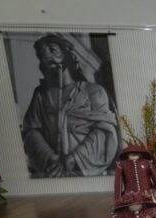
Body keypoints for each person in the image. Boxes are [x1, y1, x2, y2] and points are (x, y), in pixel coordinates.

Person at [21, 33, 121, 178]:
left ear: (66, 53)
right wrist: (51, 157)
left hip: (87, 171)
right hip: (54, 173)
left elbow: (105, 130)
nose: (47, 56)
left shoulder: (94, 91)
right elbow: (31, 131)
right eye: (42, 54)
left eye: (52, 50)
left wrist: (74, 158)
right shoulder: (41, 95)